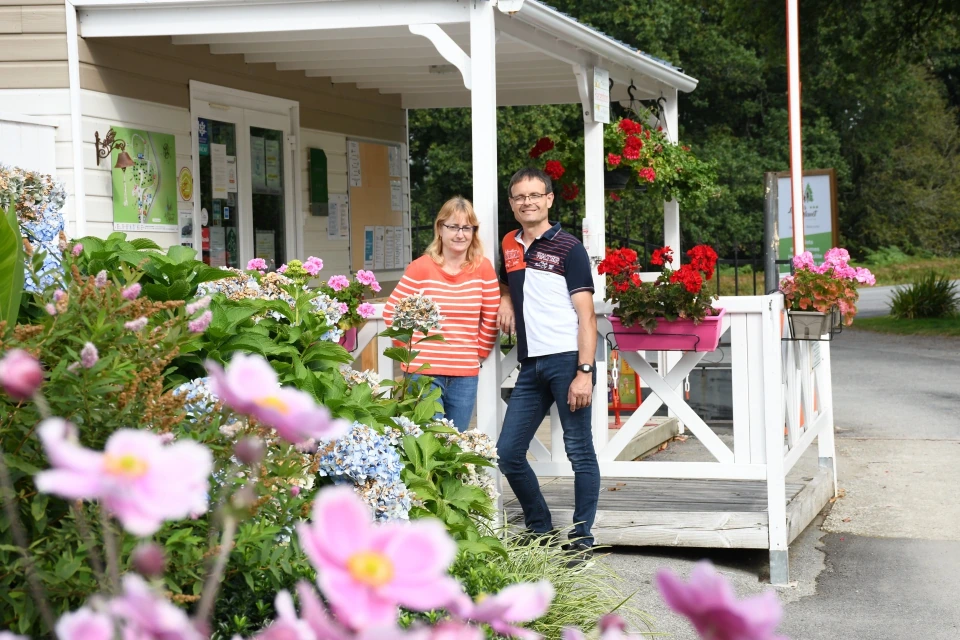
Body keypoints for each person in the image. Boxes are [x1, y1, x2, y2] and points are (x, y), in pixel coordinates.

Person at [496, 167, 600, 554]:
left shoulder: (569, 248)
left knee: (579, 450)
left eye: (535, 195)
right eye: (520, 197)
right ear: (512, 203)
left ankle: (582, 534)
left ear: (549, 199)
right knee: (507, 452)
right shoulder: (509, 244)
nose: (527, 202)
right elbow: (506, 281)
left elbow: (587, 316)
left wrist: (584, 372)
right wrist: (506, 299)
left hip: (567, 359)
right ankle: (540, 527)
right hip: (530, 364)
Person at [384, 196, 500, 432]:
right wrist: (408, 352)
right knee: (428, 440)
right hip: (423, 373)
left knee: (454, 442)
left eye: (467, 228)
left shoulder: (483, 268)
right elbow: (392, 311)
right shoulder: (421, 267)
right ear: (440, 229)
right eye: (453, 227)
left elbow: (491, 315)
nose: (460, 234)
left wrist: (479, 353)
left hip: (465, 374)